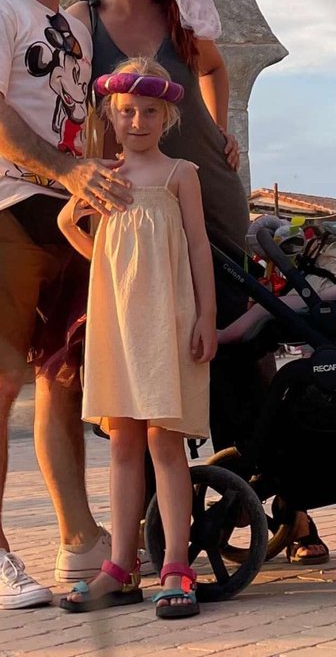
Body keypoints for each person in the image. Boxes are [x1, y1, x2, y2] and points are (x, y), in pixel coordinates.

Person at [68, 0, 329, 566]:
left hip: (202, 191)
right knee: (150, 365)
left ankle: (290, 510)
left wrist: (219, 130)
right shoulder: (83, 20)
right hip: (130, 204)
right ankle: (163, 529)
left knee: (236, 348)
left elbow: (213, 69)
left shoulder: (181, 17)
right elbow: (41, 64)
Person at [0, 0, 129, 610]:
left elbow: (87, 127)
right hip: (4, 208)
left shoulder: (76, 32)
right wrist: (64, 170)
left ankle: (79, 538)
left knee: (64, 377)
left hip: (67, 217)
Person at [57, 60, 215, 619]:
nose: (138, 121)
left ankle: (176, 563)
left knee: (164, 442)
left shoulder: (180, 175)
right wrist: (79, 238)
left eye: (150, 111)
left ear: (166, 116)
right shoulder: (104, 176)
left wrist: (206, 317)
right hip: (116, 322)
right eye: (127, 112)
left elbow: (199, 246)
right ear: (111, 116)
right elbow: (85, 240)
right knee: (123, 442)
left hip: (167, 321)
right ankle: (120, 565)